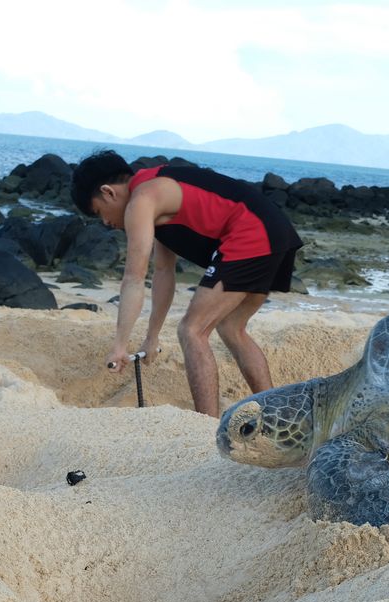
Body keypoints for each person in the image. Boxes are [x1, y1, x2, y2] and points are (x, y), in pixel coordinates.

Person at [70, 150, 302, 417]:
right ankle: (274, 415)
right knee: (231, 327)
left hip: (251, 232)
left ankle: (204, 427)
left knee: (192, 331)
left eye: (100, 212)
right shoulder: (155, 193)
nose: (106, 223)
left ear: (108, 192)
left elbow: (134, 278)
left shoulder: (141, 199)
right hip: (275, 229)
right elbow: (162, 272)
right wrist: (151, 337)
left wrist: (120, 346)